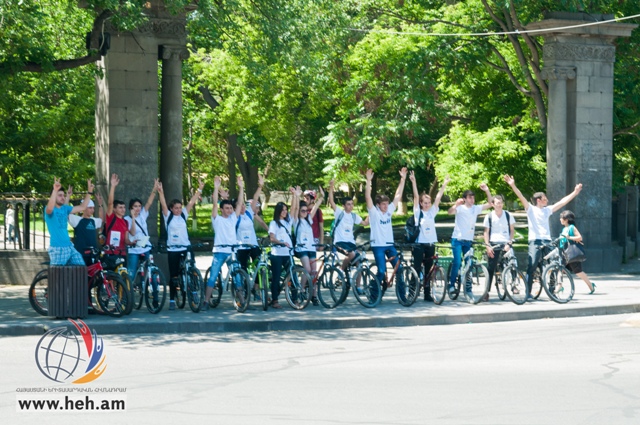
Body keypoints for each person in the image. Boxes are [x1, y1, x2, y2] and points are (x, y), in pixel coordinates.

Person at [504, 175, 582, 300]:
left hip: (547, 240)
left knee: (555, 263)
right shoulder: (531, 209)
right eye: (545, 199)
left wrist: (575, 192)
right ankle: (528, 292)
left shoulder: (547, 210)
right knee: (532, 265)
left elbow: (562, 202)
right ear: (539, 200)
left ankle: (551, 290)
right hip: (535, 241)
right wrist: (512, 185)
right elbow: (521, 196)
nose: (547, 200)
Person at [158, 178, 205, 310]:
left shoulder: (184, 215)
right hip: (173, 249)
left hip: (186, 247)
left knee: (191, 270)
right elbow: (162, 204)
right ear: (171, 209)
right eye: (176, 208)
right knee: (174, 275)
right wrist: (161, 192)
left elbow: (192, 202)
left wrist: (199, 189)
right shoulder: (168, 216)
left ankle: (194, 292)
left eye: (180, 208)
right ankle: (172, 299)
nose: (178, 210)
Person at [202, 176, 245, 311]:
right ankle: (206, 301)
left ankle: (243, 301)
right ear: (222, 209)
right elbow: (215, 204)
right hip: (220, 251)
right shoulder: (217, 219)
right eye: (226, 208)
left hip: (232, 251)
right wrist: (215, 188)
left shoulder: (233, 218)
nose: (230, 210)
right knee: (213, 276)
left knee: (237, 277)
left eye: (230, 208)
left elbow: (239, 204)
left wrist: (241, 187)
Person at [365, 167, 408, 300]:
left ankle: (402, 296)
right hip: (378, 245)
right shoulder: (374, 212)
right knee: (382, 271)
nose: (385, 206)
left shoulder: (389, 210)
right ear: (378, 205)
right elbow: (367, 197)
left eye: (386, 204)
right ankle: (374, 292)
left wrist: (403, 179)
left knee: (399, 269)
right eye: (383, 204)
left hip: (389, 244)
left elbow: (397, 195)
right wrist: (368, 181)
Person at [447, 183, 493, 299]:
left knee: (469, 264)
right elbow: (450, 212)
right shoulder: (460, 208)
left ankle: (468, 289)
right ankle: (451, 285)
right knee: (457, 262)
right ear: (465, 199)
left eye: (473, 197)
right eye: (470, 197)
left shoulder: (475, 209)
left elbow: (490, 203)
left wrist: (487, 190)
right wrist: (455, 204)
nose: (472, 199)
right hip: (457, 239)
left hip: (468, 241)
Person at [409, 172, 450, 302]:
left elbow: (438, 198)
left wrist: (444, 184)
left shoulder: (432, 212)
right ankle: (412, 292)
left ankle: (427, 294)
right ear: (421, 203)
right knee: (416, 268)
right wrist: (413, 182)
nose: (427, 204)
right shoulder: (418, 213)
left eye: (428, 202)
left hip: (430, 244)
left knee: (428, 271)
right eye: (424, 202)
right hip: (419, 244)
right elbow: (415, 197)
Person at [233, 174, 270, 299]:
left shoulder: (249, 213)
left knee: (260, 266)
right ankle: (244, 292)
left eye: (244, 205)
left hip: (253, 245)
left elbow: (255, 198)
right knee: (242, 269)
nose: (243, 207)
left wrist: (260, 185)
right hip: (241, 247)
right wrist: (240, 188)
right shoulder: (236, 217)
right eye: (240, 205)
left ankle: (256, 288)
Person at [45, 178, 94, 266]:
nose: (63, 197)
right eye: (60, 195)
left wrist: (89, 192)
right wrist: (55, 190)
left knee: (81, 269)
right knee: (56, 276)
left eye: (63, 195)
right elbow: (49, 209)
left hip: (69, 247)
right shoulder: (49, 210)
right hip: (57, 249)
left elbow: (82, 207)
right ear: (54, 195)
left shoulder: (65, 208)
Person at [328, 179, 369, 271]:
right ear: (343, 206)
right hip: (339, 242)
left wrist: (371, 212)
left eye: (352, 204)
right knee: (352, 254)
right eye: (348, 204)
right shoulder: (339, 213)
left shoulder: (354, 216)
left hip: (350, 243)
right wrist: (331, 187)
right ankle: (341, 271)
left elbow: (365, 223)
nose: (351, 206)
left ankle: (357, 285)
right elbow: (331, 201)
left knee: (359, 262)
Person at [293, 186, 324, 306]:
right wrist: (296, 196)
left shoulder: (309, 220)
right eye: (303, 211)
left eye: (306, 211)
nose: (305, 213)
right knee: (307, 269)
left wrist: (321, 196)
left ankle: (313, 295)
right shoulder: (296, 221)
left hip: (311, 248)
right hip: (301, 248)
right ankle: (301, 290)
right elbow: (294, 208)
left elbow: (316, 206)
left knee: (314, 272)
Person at [483, 195, 516, 301]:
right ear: (492, 204)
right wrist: (488, 246)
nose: (500, 204)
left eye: (501, 202)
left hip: (505, 242)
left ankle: (514, 285)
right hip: (494, 243)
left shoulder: (508, 215)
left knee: (513, 262)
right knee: (491, 268)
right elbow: (486, 232)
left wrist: (509, 243)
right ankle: (486, 291)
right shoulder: (489, 216)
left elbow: (512, 230)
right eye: (497, 203)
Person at [268, 188, 296, 309]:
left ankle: (295, 299)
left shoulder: (288, 222)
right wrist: (281, 242)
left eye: (286, 210)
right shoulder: (274, 223)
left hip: (288, 253)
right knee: (276, 276)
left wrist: (295, 195)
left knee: (293, 275)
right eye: (283, 210)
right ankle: (275, 300)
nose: (285, 212)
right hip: (277, 254)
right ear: (278, 211)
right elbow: (272, 238)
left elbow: (294, 209)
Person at [125, 179, 160, 276]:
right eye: (135, 206)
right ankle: (129, 290)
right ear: (131, 208)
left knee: (151, 270)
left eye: (139, 206)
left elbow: (149, 202)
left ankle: (154, 289)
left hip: (145, 247)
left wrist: (154, 188)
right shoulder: (127, 219)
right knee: (131, 273)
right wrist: (133, 218)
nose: (138, 208)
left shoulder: (142, 215)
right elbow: (132, 232)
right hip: (134, 248)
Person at [559, 210, 596, 294]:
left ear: (566, 219)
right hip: (564, 253)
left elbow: (580, 237)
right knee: (559, 269)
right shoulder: (564, 229)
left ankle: (591, 285)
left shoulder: (572, 227)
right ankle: (559, 286)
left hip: (571, 253)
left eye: (561, 218)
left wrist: (569, 237)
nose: (560, 219)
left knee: (578, 272)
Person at [104, 173, 136, 260]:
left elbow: (126, 240)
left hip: (122, 253)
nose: (123, 209)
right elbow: (110, 203)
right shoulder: (111, 217)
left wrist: (131, 243)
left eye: (124, 207)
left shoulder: (125, 222)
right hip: (111, 253)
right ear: (114, 209)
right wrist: (113, 186)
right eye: (120, 207)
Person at [68, 192, 105, 265]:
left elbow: (101, 219)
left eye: (93, 208)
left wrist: (100, 205)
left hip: (92, 253)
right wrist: (68, 197)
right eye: (90, 208)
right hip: (81, 253)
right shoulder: (77, 220)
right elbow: (67, 213)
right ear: (84, 209)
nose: (92, 210)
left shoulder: (93, 220)